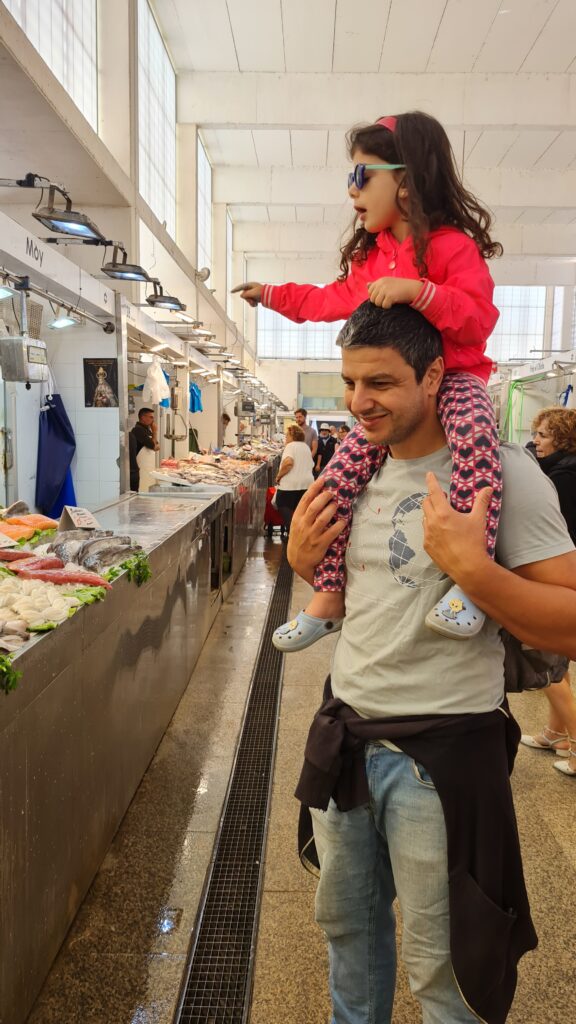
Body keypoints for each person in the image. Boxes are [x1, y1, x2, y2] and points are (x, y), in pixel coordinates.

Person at [287, 301, 576, 1024]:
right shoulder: (354, 473)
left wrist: (473, 571)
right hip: (346, 736)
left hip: (442, 759)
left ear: (435, 374)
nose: (359, 402)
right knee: (347, 933)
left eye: (380, 383)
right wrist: (302, 564)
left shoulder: (504, 476)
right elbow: (371, 601)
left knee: (444, 966)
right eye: (351, 382)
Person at [235, 111, 502, 651]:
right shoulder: (370, 257)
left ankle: (471, 585)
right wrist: (273, 295)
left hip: (456, 379)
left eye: (362, 176)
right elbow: (328, 300)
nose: (352, 191)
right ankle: (330, 594)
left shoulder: (451, 248)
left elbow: (479, 319)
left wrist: (418, 291)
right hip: (397, 398)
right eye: (350, 179)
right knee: (337, 481)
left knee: (478, 449)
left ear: (407, 180)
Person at [520, 406, 576, 777]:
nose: (535, 441)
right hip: (559, 580)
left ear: (562, 437)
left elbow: (555, 534)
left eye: (542, 435)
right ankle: (556, 733)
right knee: (557, 668)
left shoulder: (564, 475)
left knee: (545, 666)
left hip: (553, 582)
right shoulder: (559, 469)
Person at [274, 424, 314, 534]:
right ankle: (299, 535)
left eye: (287, 435)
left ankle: (292, 535)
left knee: (282, 505)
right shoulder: (305, 446)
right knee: (299, 514)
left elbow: (288, 463)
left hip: (290, 486)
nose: (286, 438)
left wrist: (279, 476)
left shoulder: (290, 446)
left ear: (292, 436)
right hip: (307, 485)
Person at [129, 407, 159, 492]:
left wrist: (153, 435)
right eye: (151, 417)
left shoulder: (147, 430)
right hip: (141, 468)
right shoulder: (138, 430)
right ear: (143, 417)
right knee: (143, 490)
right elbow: (154, 446)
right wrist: (155, 432)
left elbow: (157, 446)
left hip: (148, 468)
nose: (153, 420)